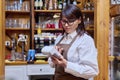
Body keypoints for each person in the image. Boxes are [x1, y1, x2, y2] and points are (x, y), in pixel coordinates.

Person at [48, 4, 99, 80]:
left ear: (79, 20)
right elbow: (52, 65)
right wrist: (52, 59)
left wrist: (66, 64)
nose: (66, 25)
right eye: (63, 21)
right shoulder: (59, 38)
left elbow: (92, 71)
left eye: (71, 21)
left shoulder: (85, 40)